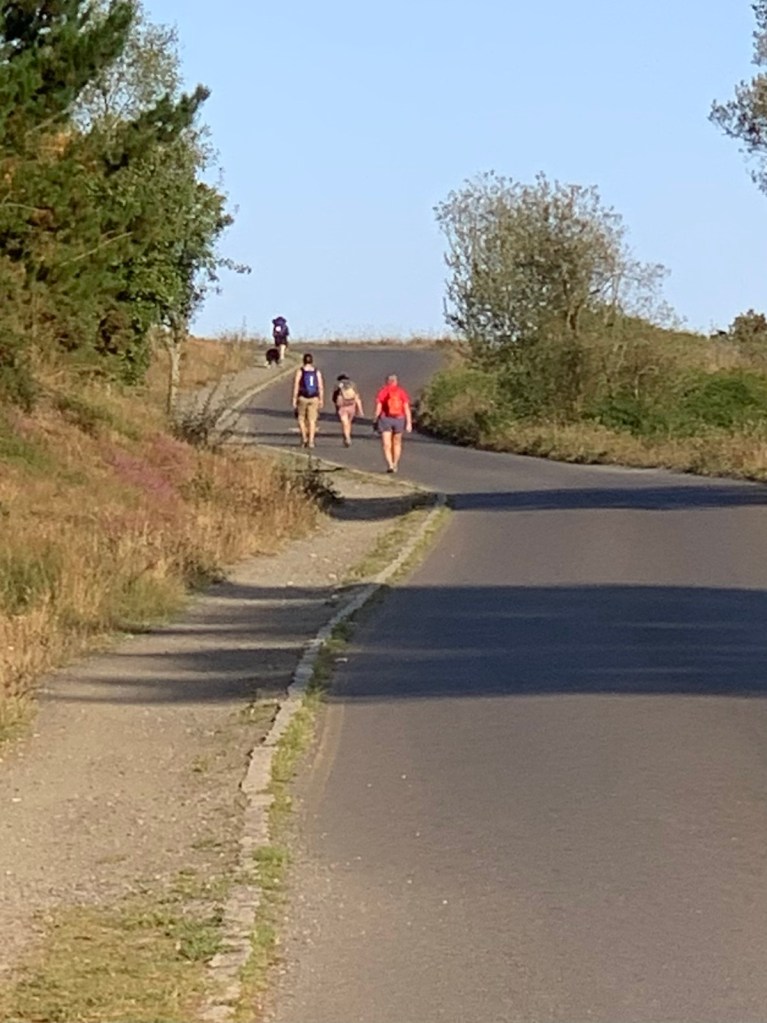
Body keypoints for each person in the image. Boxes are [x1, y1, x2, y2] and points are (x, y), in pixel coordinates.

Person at [373, 373, 412, 473]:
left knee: (387, 444)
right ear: (396, 381)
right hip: (399, 419)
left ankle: (390, 464)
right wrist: (409, 423)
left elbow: (378, 407)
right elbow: (406, 408)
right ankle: (395, 464)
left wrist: (375, 419)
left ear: (387, 381)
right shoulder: (401, 392)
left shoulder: (383, 391)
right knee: (397, 443)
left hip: (385, 419)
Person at [292, 352, 324, 449]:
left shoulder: (300, 371)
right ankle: (311, 441)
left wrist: (294, 398)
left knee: (301, 419)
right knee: (312, 420)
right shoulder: (316, 372)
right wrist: (321, 399)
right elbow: (320, 386)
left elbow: (296, 385)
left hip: (303, 397)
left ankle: (304, 438)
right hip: (314, 397)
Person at [332, 374, 364, 447]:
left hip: (342, 407)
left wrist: (336, 407)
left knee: (345, 422)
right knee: (348, 422)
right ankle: (348, 436)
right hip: (351, 406)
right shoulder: (353, 385)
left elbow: (334, 398)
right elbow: (357, 398)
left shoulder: (338, 385)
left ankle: (347, 437)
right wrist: (360, 410)